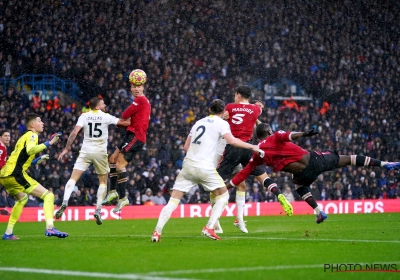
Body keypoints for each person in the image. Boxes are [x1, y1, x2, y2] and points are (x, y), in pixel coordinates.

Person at [227, 123, 400, 223]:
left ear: (257, 138)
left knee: (300, 187)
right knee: (349, 158)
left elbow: (244, 173)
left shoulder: (256, 155)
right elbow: (288, 135)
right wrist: (305, 133)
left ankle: (319, 211)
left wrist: (229, 185)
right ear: (270, 131)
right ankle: (386, 164)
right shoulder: (275, 136)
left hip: (302, 175)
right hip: (314, 160)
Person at [151, 99, 262, 242]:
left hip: (188, 166)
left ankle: (156, 232)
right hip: (205, 168)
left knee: (173, 201)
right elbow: (233, 141)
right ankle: (210, 227)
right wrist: (252, 147)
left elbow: (186, 147)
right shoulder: (223, 124)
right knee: (223, 196)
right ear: (223, 112)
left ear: (210, 109)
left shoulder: (198, 123)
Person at [216, 86, 292, 233]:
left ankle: (215, 221)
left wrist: (223, 116)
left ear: (238, 95)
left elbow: (221, 118)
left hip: (232, 147)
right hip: (249, 147)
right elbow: (256, 113)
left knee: (215, 182)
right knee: (260, 177)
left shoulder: (230, 107)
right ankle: (278, 193)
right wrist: (258, 106)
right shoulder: (255, 109)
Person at [55, 97, 130, 225]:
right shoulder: (105, 116)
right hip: (100, 153)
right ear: (97, 107)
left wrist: (67, 149)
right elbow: (125, 123)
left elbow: (74, 133)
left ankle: (64, 202)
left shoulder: (84, 116)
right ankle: (98, 210)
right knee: (103, 182)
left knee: (73, 179)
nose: (105, 105)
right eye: (103, 103)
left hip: (85, 151)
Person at [0, 113, 67, 240]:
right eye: (39, 121)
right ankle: (50, 227)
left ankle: (8, 233)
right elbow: (31, 150)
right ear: (32, 125)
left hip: (4, 176)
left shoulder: (23, 137)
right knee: (48, 195)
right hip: (15, 175)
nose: (42, 123)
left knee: (22, 199)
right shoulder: (32, 135)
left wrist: (36, 161)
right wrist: (49, 143)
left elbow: (19, 160)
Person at [102, 71, 151, 212]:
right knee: (112, 159)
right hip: (130, 135)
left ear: (143, 87)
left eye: (139, 85)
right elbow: (130, 119)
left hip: (136, 137)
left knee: (119, 164)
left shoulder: (140, 100)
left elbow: (124, 115)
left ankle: (123, 198)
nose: (136, 88)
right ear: (130, 87)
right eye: (134, 86)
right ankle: (112, 191)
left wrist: (123, 122)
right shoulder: (140, 101)